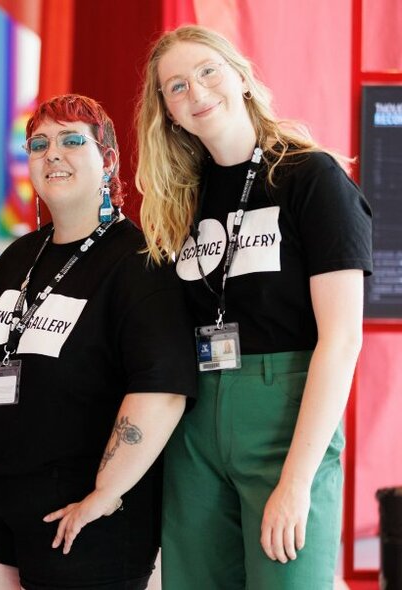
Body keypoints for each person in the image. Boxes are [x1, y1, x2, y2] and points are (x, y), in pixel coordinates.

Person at [0, 94, 196, 590]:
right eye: (39, 144)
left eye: (72, 141)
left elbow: (162, 389)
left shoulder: (139, 262)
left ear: (107, 159)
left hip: (80, 515)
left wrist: (105, 494)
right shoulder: (18, 257)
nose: (52, 154)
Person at [135, 25, 373, 589]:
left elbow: (342, 340)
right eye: (176, 86)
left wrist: (296, 480)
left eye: (207, 71)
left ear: (240, 76)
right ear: (166, 111)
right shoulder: (179, 200)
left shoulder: (310, 177)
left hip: (285, 420)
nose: (195, 91)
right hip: (194, 428)